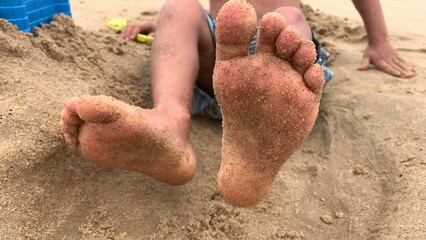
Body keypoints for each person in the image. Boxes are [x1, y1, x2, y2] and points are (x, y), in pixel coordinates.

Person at [60, 0, 413, 207]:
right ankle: (170, 121)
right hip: (219, 69)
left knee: (288, 18)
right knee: (179, 6)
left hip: (279, 63)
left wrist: (379, 40)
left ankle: (271, 122)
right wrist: (163, 23)